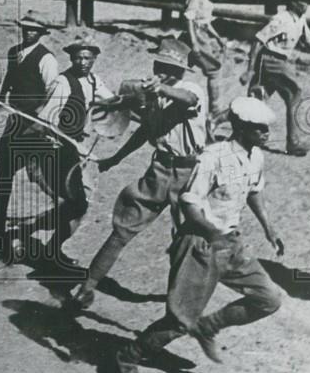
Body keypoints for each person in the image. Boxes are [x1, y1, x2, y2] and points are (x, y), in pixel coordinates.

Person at [115, 96, 285, 373]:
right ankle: (129, 356)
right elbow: (189, 203)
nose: (266, 134)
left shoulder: (254, 156)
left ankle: (208, 327)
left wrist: (268, 228)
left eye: (266, 129)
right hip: (200, 242)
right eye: (260, 129)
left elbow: (252, 189)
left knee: (268, 298)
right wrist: (212, 232)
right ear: (241, 128)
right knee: (181, 318)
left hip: (230, 241)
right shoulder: (212, 157)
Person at [65, 37, 207, 310]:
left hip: (190, 174)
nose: (158, 69)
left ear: (178, 71)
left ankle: (179, 302)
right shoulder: (154, 94)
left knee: (186, 239)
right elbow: (146, 131)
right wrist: (115, 159)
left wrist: (161, 88)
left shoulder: (189, 87)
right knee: (122, 228)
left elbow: (188, 99)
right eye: (157, 63)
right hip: (160, 169)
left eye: (165, 66)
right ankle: (86, 289)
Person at [35, 35, 115, 266]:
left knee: (80, 201)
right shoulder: (62, 83)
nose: (83, 62)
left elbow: (111, 101)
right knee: (77, 203)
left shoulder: (92, 81)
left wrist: (134, 98)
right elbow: (46, 121)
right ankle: (51, 253)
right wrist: (65, 141)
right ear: (71, 58)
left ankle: (51, 249)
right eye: (78, 58)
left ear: (94, 59)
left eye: (88, 58)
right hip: (57, 148)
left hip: (75, 148)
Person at [0, 11, 61, 264]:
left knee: (37, 171)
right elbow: (10, 78)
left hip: (34, 124)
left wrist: (40, 116)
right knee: (4, 169)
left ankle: (60, 211)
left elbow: (53, 91)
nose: (28, 32)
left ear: (41, 34)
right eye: (26, 28)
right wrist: (1, 96)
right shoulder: (13, 52)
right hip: (14, 120)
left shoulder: (47, 59)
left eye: (34, 30)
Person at [242, 0, 310, 156]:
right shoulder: (281, 19)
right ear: (293, 3)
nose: (306, 5)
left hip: (277, 61)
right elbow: (258, 41)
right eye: (303, 2)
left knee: (257, 100)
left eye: (307, 2)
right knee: (295, 93)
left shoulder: (300, 19)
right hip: (271, 60)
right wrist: (249, 70)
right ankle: (293, 143)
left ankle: (219, 122)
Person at [182, 0, 227, 134]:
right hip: (196, 35)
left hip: (203, 34)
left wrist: (218, 38)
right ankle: (215, 112)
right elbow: (189, 18)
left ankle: (214, 111)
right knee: (214, 69)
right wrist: (194, 42)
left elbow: (206, 22)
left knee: (212, 68)